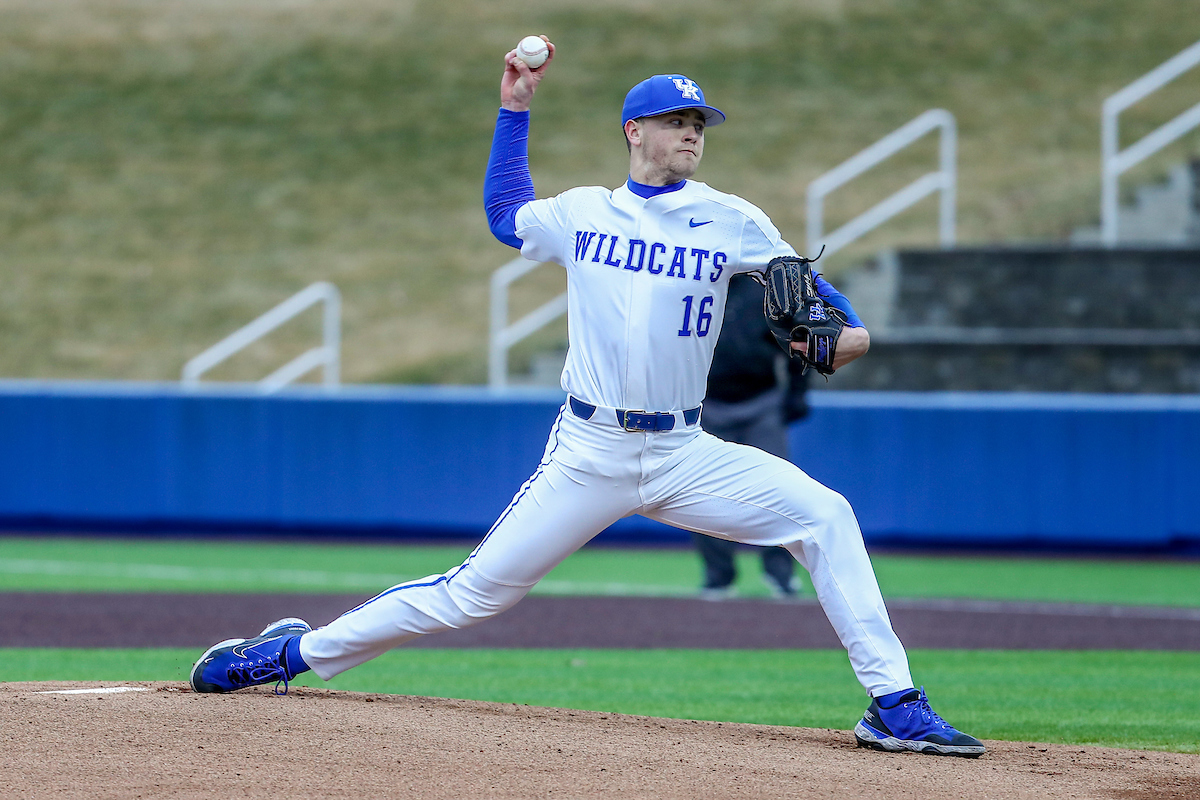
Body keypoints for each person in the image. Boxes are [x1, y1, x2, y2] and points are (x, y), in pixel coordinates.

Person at [189, 38, 986, 758]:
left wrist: (847, 332)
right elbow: (505, 215)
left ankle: (893, 704)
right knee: (469, 596)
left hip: (684, 451)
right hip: (590, 452)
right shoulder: (582, 213)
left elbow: (818, 303)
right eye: (676, 121)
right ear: (634, 131)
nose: (692, 133)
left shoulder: (733, 220)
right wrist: (514, 110)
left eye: (699, 123)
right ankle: (287, 654)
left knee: (826, 516)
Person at [693, 272, 810, 600]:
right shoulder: (694, 286)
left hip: (761, 402)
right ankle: (718, 575)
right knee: (705, 494)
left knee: (778, 489)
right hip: (706, 404)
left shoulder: (765, 293)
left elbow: (797, 341)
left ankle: (781, 574)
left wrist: (798, 392)